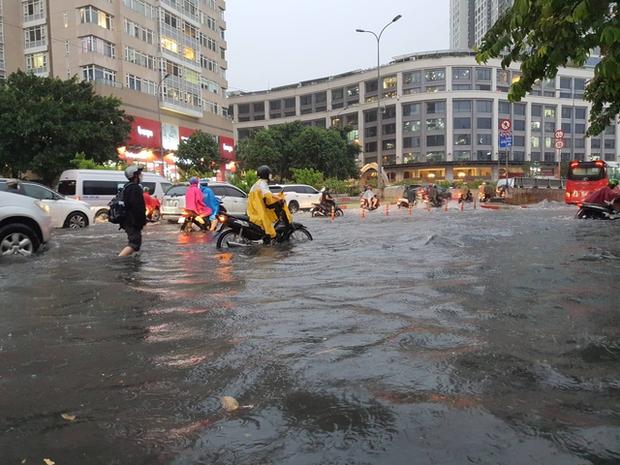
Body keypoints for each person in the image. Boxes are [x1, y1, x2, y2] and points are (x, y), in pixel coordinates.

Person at [247, 165, 291, 240]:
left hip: (256, 206)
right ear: (266, 174)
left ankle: (266, 238)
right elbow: (267, 194)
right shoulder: (262, 183)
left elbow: (268, 194)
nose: (271, 175)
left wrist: (278, 197)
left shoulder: (260, 183)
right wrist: (279, 198)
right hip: (257, 208)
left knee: (267, 219)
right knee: (266, 221)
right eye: (269, 174)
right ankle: (269, 237)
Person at [118, 165, 147, 257]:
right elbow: (137, 207)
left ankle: (130, 260)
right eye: (139, 174)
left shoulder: (127, 187)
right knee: (134, 244)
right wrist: (142, 221)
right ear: (134, 175)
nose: (141, 175)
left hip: (128, 220)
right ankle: (119, 259)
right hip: (132, 221)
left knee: (135, 243)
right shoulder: (134, 188)